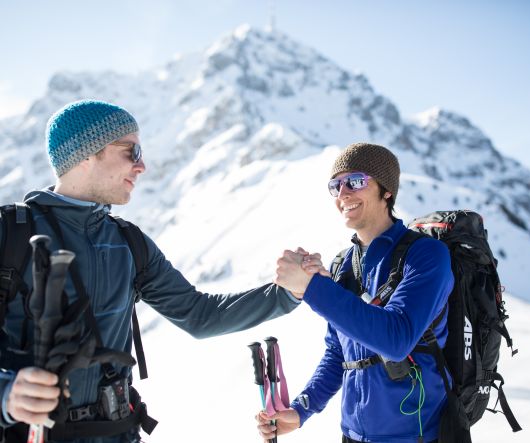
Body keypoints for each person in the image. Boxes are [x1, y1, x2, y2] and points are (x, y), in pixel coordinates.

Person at [0, 99, 323, 443]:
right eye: (131, 151)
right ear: (87, 154)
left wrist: (288, 291)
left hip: (119, 433)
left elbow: (200, 315)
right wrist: (6, 394)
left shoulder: (129, 242)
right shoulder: (10, 234)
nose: (143, 166)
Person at [257, 143, 454, 443]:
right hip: (352, 436)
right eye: (335, 185)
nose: (343, 194)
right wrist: (300, 411)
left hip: (416, 438)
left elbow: (396, 339)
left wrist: (311, 287)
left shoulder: (426, 255)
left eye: (356, 181)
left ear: (387, 190)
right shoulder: (343, 265)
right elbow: (339, 355)